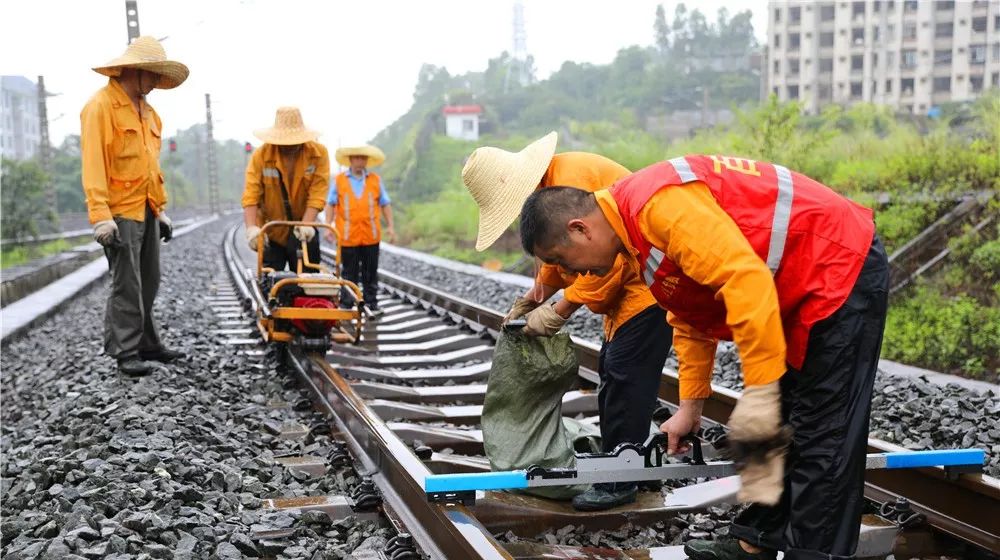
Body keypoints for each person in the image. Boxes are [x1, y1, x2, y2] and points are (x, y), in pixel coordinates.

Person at [517, 155, 888, 560]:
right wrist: (691, 407)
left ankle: (816, 554)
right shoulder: (634, 235)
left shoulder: (656, 206)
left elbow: (743, 279)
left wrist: (759, 390)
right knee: (786, 422)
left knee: (823, 433)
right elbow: (689, 314)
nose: (566, 271)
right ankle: (757, 541)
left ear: (580, 229)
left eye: (559, 259)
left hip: (836, 264)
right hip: (795, 283)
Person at [461, 132, 671, 510]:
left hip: (649, 281)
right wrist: (533, 297)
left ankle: (619, 481)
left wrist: (560, 310)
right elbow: (562, 261)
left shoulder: (568, 181)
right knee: (615, 370)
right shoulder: (553, 183)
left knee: (624, 372)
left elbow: (605, 260)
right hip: (633, 287)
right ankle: (629, 464)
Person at [81, 36, 189, 376]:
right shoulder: (101, 107)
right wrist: (101, 217)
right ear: (135, 70)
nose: (157, 83)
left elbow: (150, 167)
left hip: (145, 208)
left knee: (149, 279)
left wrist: (161, 209)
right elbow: (94, 164)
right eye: (153, 75)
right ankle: (125, 352)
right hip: (119, 213)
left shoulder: (148, 112)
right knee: (127, 283)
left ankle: (147, 343)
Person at [242, 107, 330, 272]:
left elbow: (318, 193)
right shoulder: (261, 156)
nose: (290, 146)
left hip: (303, 228)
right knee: (271, 283)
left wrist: (306, 225)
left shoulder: (318, 154)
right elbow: (251, 194)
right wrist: (252, 228)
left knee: (307, 279)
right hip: (272, 229)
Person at [324, 144, 394, 311]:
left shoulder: (375, 180)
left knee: (371, 272)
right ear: (350, 160)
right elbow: (331, 204)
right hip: (348, 237)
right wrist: (328, 226)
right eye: (357, 157)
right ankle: (347, 303)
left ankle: (371, 302)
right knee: (349, 272)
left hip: (371, 235)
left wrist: (391, 226)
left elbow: (385, 204)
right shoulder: (340, 180)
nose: (360, 161)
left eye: (363, 158)